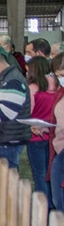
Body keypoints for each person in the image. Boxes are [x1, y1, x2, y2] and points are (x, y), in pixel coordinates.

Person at [25, 56, 56, 203]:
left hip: (35, 135)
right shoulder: (56, 87)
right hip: (52, 134)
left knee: (39, 173)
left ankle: (42, 204)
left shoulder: (32, 88)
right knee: (51, 173)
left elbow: (28, 110)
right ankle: (53, 202)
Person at [47, 53, 64, 210]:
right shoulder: (61, 93)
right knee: (57, 198)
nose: (61, 79)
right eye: (58, 75)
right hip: (59, 148)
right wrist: (46, 127)